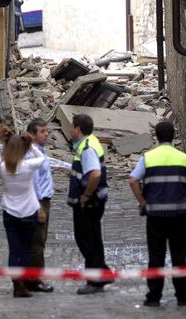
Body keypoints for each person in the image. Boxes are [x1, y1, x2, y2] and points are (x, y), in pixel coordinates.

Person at [129, 121, 186, 307]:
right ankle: (183, 296)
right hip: (179, 215)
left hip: (155, 215)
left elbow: (133, 180)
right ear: (173, 136)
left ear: (156, 137)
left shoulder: (148, 158)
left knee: (156, 255)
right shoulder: (183, 158)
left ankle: (154, 296)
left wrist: (142, 202)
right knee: (179, 256)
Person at [67, 114, 113, 295]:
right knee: (93, 238)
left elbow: (94, 174)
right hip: (95, 200)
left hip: (89, 202)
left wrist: (86, 195)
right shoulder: (92, 141)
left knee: (86, 240)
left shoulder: (87, 148)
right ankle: (103, 272)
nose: (71, 130)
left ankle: (95, 280)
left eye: (72, 127)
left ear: (78, 129)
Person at [0, 125, 44, 298]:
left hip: (9, 212)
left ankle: (16, 282)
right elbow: (41, 158)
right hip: (28, 211)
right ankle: (22, 282)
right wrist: (29, 145)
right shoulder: (28, 166)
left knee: (13, 250)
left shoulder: (2, 166)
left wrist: (6, 142)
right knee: (25, 249)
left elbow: (1, 156)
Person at [24, 118, 54, 293]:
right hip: (38, 202)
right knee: (37, 242)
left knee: (39, 240)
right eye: (42, 131)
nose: (46, 134)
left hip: (43, 201)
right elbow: (32, 183)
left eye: (47, 131)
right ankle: (34, 280)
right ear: (32, 134)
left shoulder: (40, 150)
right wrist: (39, 208)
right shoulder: (32, 154)